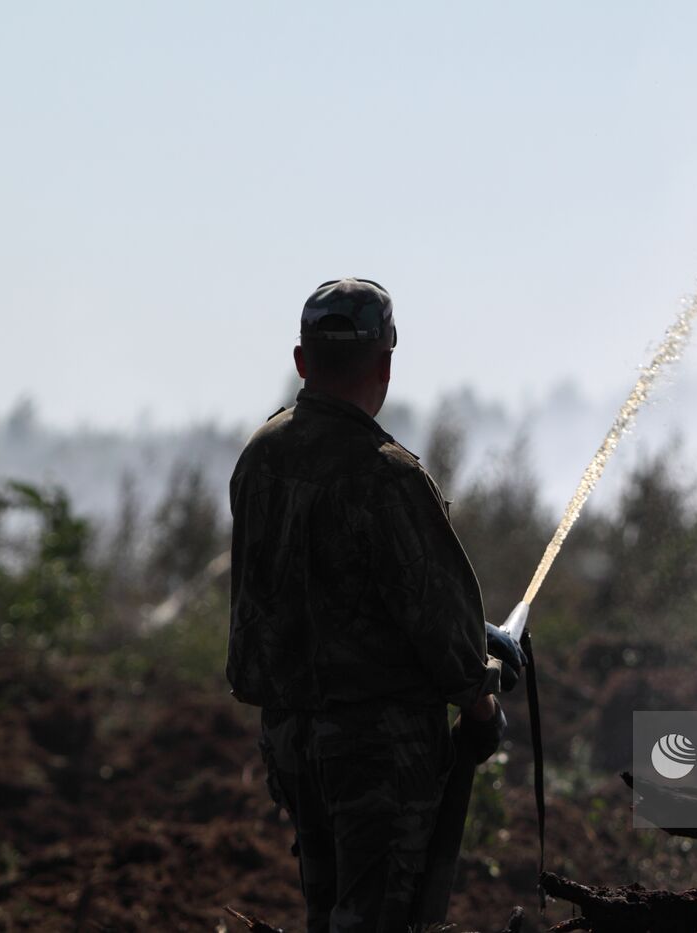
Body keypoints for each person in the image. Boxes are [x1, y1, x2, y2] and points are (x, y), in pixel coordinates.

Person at [226, 277, 525, 931]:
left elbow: (307, 595)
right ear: (385, 364)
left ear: (302, 361)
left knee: (327, 908)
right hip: (375, 755)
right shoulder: (388, 475)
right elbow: (438, 626)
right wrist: (482, 709)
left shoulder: (260, 457)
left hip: (290, 740)